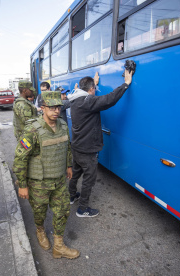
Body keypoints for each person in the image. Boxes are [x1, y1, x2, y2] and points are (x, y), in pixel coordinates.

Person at [13, 91, 80, 260]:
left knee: (62, 211)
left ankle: (59, 246)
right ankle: (40, 230)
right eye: (51, 107)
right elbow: (20, 158)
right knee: (39, 211)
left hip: (59, 180)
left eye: (58, 107)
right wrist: (22, 184)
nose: (56, 111)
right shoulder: (32, 130)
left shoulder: (63, 125)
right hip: (38, 183)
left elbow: (67, 147)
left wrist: (69, 165)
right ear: (43, 108)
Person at [68, 70, 133, 218]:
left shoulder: (74, 99)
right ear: (91, 90)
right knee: (88, 179)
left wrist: (94, 83)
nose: (95, 91)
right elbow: (109, 99)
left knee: (76, 173)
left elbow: (89, 97)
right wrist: (126, 84)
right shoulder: (87, 101)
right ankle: (82, 209)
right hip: (87, 149)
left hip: (77, 146)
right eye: (94, 89)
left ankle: (72, 196)